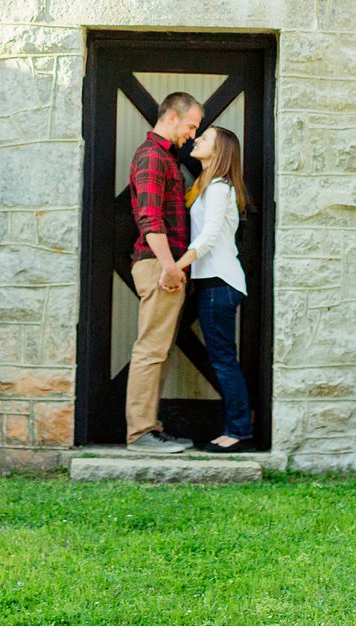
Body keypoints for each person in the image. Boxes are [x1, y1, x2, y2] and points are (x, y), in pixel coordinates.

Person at [124, 90, 203, 453]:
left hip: (164, 264)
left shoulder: (165, 157)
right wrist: (169, 266)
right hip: (158, 263)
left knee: (160, 350)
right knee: (150, 349)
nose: (192, 134)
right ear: (172, 116)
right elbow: (149, 219)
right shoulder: (152, 157)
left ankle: (150, 428)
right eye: (191, 126)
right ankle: (140, 433)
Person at [177, 125, 253, 452]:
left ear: (220, 150)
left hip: (220, 284)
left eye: (204, 138)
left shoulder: (220, 187)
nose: (197, 139)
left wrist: (174, 266)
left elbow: (207, 239)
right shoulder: (206, 187)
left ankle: (237, 433)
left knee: (223, 360)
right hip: (211, 284)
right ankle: (235, 429)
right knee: (223, 359)